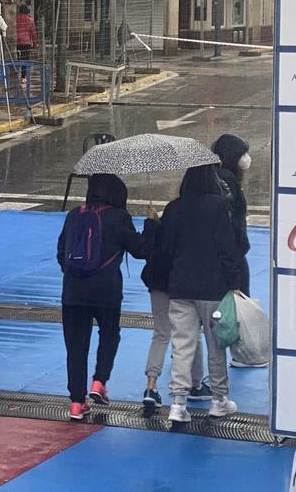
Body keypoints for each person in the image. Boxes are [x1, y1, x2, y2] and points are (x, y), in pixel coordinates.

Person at [56, 174, 154, 421]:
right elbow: (141, 250)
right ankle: (99, 382)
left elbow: (61, 253)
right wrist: (152, 224)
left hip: (73, 291)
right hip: (106, 289)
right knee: (109, 334)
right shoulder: (119, 217)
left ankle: (76, 403)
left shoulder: (74, 215)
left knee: (75, 347)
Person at [158, 165, 245, 423]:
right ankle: (219, 400)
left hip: (180, 287)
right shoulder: (218, 207)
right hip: (213, 288)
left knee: (182, 345)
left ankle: (178, 402)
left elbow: (165, 249)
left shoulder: (173, 208)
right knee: (216, 345)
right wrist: (234, 280)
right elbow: (227, 248)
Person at [140, 219, 208, 408]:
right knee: (191, 332)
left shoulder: (159, 228)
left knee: (161, 334)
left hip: (157, 283)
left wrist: (150, 223)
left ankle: (151, 387)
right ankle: (195, 384)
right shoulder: (191, 228)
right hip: (181, 285)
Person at [212, 134, 252, 296]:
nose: (246, 159)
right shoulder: (227, 179)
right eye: (242, 154)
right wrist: (241, 245)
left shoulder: (219, 176)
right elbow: (233, 220)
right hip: (231, 253)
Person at [16, 4, 39, 84]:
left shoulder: (15, 19)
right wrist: (35, 44)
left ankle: (14, 75)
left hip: (16, 42)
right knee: (25, 59)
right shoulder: (30, 20)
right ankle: (23, 77)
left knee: (15, 59)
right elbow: (33, 33)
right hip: (26, 42)